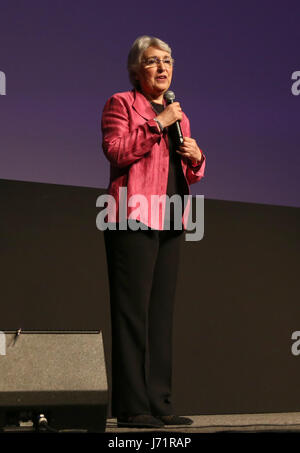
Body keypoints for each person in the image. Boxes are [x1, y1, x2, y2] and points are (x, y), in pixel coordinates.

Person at [101, 35, 206, 428]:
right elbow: (116, 151)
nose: (162, 68)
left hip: (171, 216)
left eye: (167, 61)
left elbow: (187, 173)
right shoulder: (120, 103)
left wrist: (197, 158)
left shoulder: (179, 114)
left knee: (161, 314)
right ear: (135, 71)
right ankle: (132, 407)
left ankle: (160, 403)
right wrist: (156, 124)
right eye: (152, 62)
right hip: (132, 215)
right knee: (133, 314)